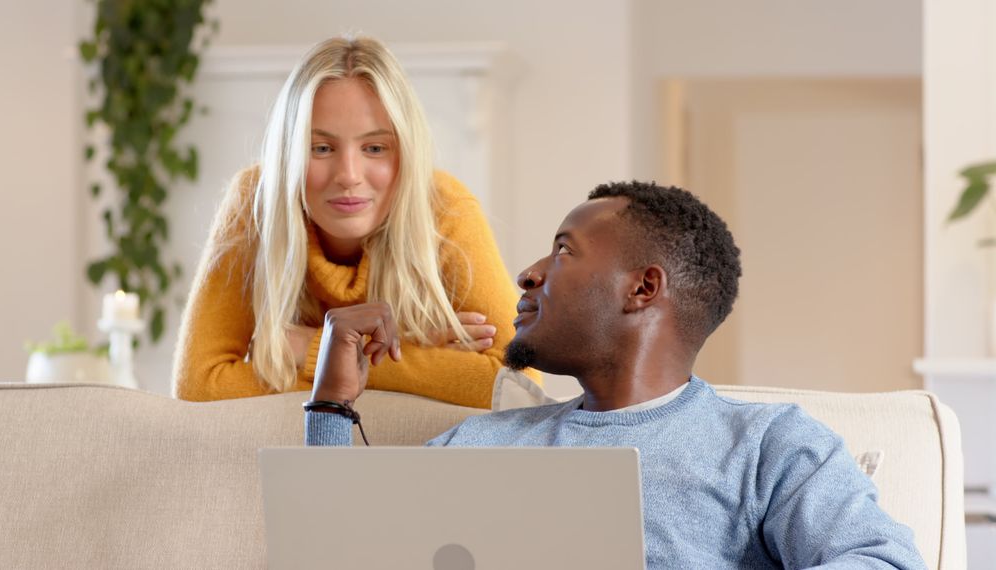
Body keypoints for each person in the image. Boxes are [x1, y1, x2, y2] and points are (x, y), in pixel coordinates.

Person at [303, 181, 925, 568]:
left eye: (564, 249)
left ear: (643, 288)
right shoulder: (480, 444)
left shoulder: (768, 444)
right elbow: (334, 553)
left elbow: (882, 562)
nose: (529, 273)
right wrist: (332, 402)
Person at [173, 35, 535, 407]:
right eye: (322, 148)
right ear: (289, 153)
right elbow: (199, 387)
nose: (348, 175)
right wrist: (416, 355)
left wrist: (316, 349)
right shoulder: (255, 201)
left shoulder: (443, 207)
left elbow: (517, 381)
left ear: (406, 152)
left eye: (374, 148)